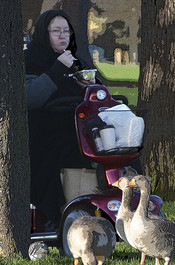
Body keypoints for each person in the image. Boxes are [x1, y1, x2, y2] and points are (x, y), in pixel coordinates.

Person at [25, 9, 95, 231]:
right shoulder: (30, 59)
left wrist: (92, 87)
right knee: (54, 153)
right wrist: (57, 69)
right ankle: (53, 215)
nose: (63, 36)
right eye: (56, 31)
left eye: (66, 31)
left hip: (78, 131)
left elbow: (102, 94)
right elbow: (31, 98)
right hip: (41, 132)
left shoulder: (75, 61)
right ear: (44, 34)